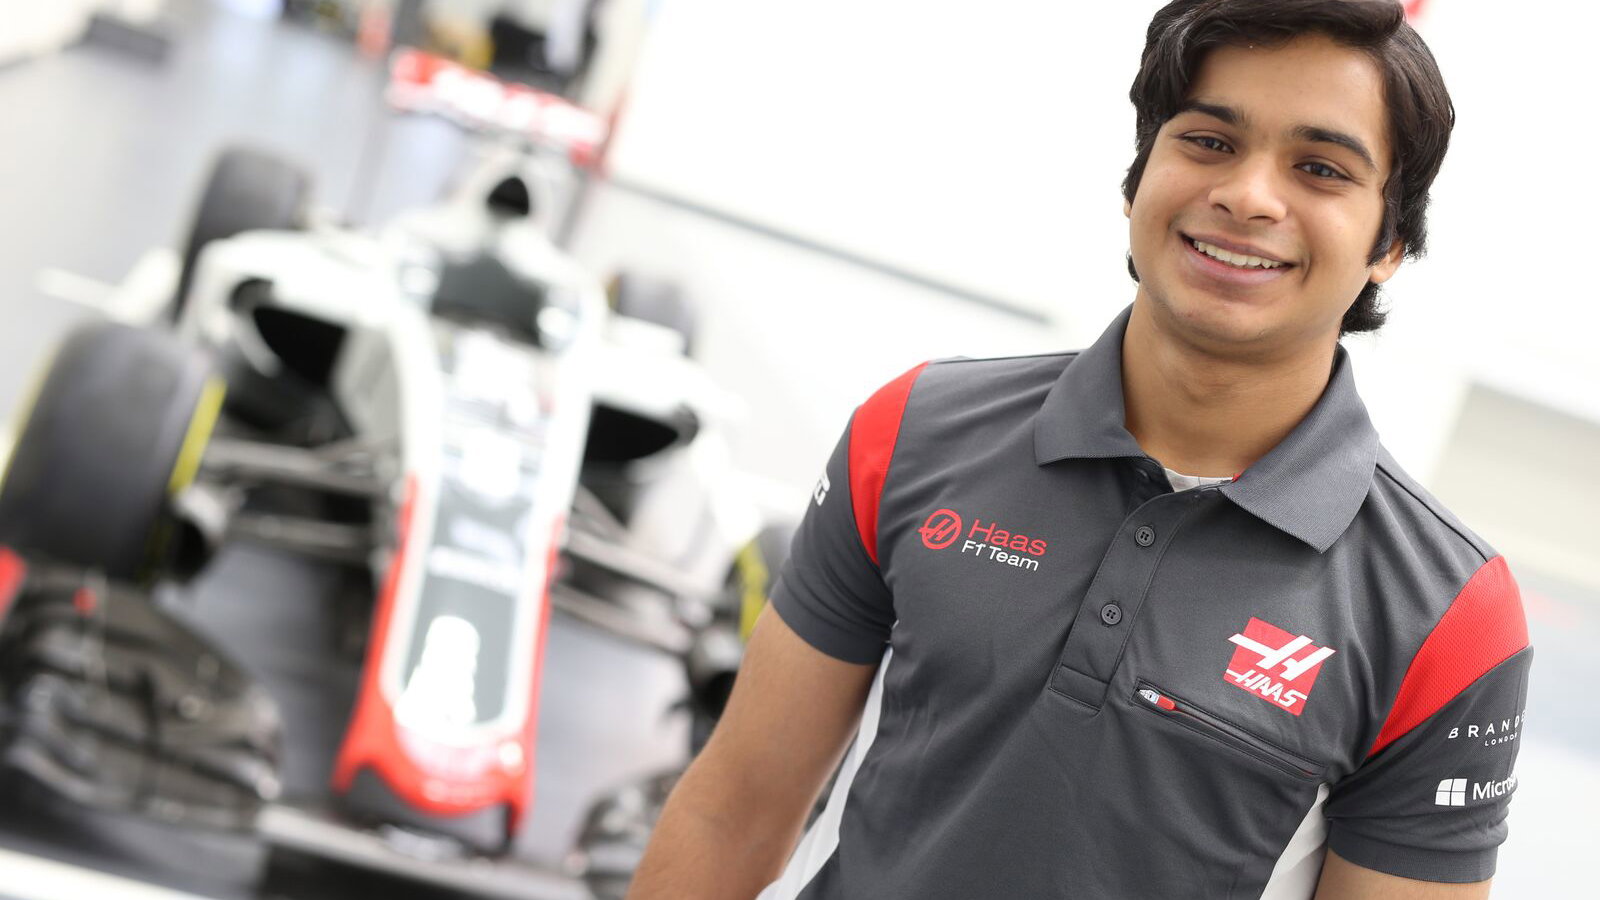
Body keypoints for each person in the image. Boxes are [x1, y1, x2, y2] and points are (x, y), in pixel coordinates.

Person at [628, 1, 1530, 897]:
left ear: (1391, 242)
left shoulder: (1447, 616)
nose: (1248, 196)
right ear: (1138, 177)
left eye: (1321, 168)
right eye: (1209, 141)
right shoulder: (911, 433)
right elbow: (731, 813)